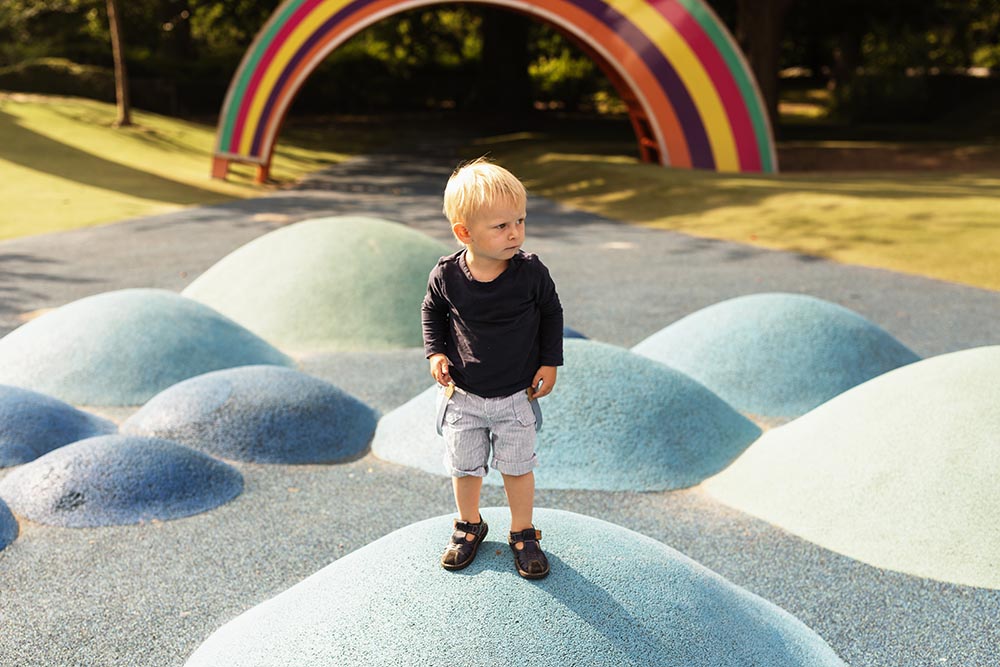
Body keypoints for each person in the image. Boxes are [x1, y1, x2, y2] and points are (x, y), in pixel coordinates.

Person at [421, 157, 564, 579]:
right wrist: (436, 353)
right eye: (501, 226)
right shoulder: (447, 275)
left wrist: (550, 361)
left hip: (516, 396)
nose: (515, 232)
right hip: (464, 396)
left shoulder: (530, 273)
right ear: (464, 233)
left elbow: (552, 312)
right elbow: (433, 312)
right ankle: (469, 525)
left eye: (519, 220)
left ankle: (523, 532)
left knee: (518, 467)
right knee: (464, 467)